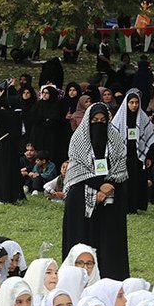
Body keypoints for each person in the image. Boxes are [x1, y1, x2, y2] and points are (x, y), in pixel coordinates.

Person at [61, 102, 130, 279]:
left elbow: (121, 169)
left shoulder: (116, 140)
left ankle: (111, 277)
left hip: (111, 197)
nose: (98, 124)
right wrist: (99, 186)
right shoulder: (78, 140)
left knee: (109, 243)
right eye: (94, 120)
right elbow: (77, 172)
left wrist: (109, 187)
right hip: (82, 199)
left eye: (102, 120)